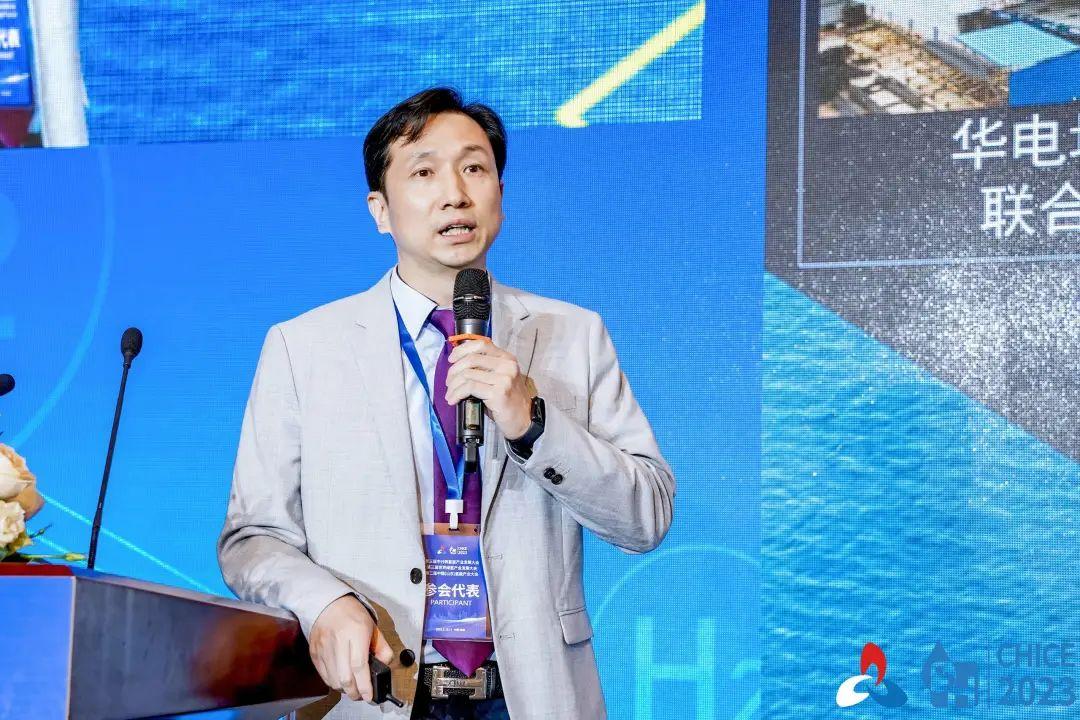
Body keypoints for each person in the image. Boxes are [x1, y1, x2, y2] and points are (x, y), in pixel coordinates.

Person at [218, 87, 675, 720]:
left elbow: (646, 516)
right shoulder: (303, 348)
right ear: (380, 210)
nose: (455, 194)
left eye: (474, 168)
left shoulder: (575, 335)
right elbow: (252, 538)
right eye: (424, 172)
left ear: (499, 196)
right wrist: (324, 603)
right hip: (377, 693)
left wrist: (534, 425)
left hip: (531, 695)